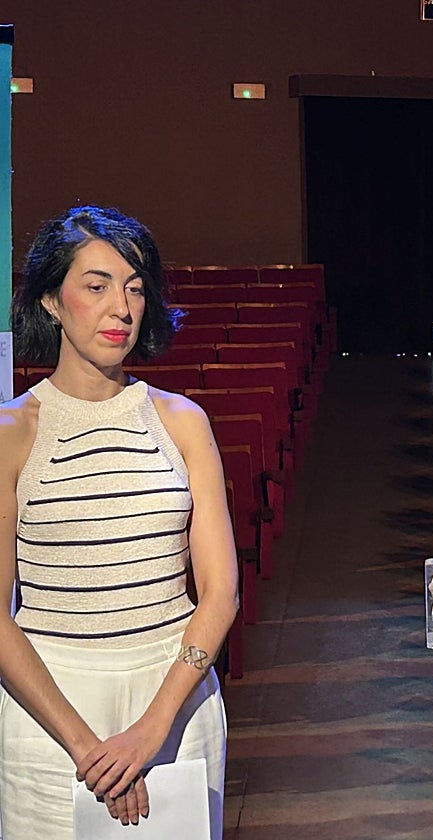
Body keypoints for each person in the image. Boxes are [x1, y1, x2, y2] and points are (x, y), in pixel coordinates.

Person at [0, 206, 239, 837]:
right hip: (50, 712)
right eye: (97, 285)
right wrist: (87, 748)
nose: (122, 308)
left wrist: (151, 730)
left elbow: (220, 593)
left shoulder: (182, 421)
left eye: (135, 288)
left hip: (175, 702)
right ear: (51, 300)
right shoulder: (12, 434)